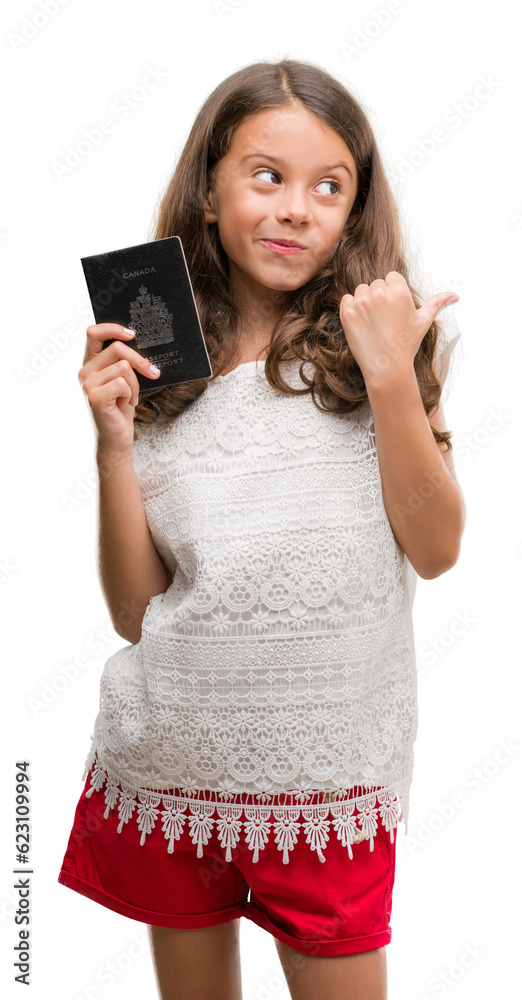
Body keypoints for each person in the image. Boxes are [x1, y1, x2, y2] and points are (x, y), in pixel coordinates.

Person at [57, 58, 466, 1000]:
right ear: (210, 189)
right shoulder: (161, 360)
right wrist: (113, 446)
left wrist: (393, 375)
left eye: (330, 186)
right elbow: (135, 612)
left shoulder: (384, 343)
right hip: (173, 765)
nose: (295, 208)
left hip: (325, 783)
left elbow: (438, 548)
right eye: (266, 176)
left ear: (356, 211)